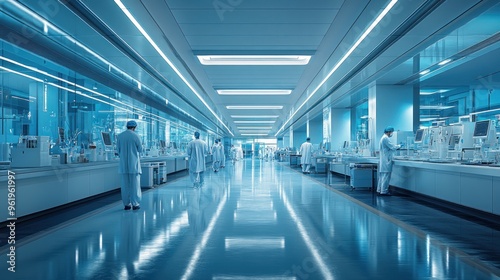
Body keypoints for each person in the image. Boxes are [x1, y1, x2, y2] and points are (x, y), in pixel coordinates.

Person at [116, 120, 143, 210]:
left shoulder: (120, 136)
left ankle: (126, 204)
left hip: (123, 165)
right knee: (135, 185)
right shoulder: (136, 136)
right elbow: (140, 149)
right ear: (134, 127)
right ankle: (135, 204)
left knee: (124, 185)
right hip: (133, 164)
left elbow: (118, 150)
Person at [377, 126, 401, 196]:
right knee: (386, 176)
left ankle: (379, 189)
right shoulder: (385, 138)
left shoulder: (383, 138)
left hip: (384, 160)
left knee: (382, 176)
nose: (392, 133)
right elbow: (392, 147)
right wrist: (399, 145)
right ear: (389, 132)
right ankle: (384, 191)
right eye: (391, 132)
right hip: (386, 160)